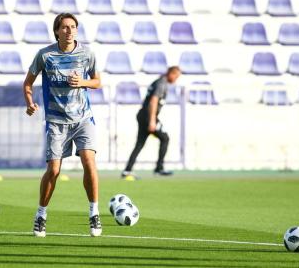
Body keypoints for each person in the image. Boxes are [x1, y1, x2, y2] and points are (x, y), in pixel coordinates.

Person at [23, 13, 102, 238]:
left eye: (73, 27)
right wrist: (30, 103)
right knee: (54, 170)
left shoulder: (87, 53)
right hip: (56, 122)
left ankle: (94, 213)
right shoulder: (45, 55)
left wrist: (83, 82)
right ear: (57, 31)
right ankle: (41, 214)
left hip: (83, 119)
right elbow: (28, 83)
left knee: (89, 161)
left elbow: (97, 81)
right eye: (65, 27)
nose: (69, 31)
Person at [121, 66, 181, 179]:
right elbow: (153, 101)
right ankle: (159, 168)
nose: (176, 79)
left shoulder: (159, 82)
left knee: (140, 143)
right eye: (176, 76)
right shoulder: (161, 83)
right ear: (171, 73)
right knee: (165, 138)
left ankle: (127, 170)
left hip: (144, 115)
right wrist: (152, 121)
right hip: (147, 116)